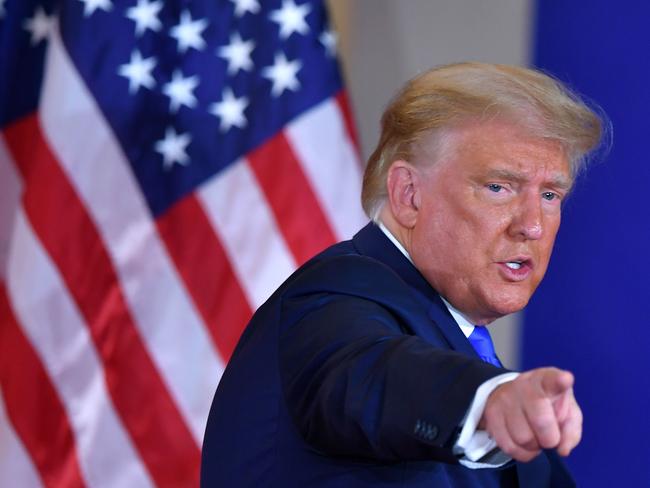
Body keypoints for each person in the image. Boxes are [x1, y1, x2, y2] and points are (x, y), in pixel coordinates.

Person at [200, 62, 605, 487]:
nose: (533, 225)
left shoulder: (463, 344)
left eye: (549, 194)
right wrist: (486, 401)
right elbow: (374, 373)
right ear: (408, 195)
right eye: (498, 187)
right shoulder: (333, 297)